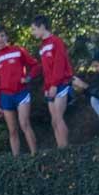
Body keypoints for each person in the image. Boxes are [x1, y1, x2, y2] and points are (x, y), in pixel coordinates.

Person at [0, 25, 40, 156]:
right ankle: (16, 161)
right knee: (12, 130)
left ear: (7, 37)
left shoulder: (18, 50)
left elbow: (35, 65)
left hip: (21, 92)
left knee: (24, 123)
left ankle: (35, 155)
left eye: (2, 36)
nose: (0, 39)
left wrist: (28, 77)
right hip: (5, 96)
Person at [30, 15, 73, 148]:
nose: (33, 32)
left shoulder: (56, 41)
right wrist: (48, 87)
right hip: (49, 87)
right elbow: (45, 69)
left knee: (59, 117)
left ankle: (66, 148)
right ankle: (60, 149)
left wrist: (54, 84)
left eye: (34, 29)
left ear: (42, 26)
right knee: (54, 121)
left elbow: (59, 64)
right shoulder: (42, 47)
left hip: (61, 84)